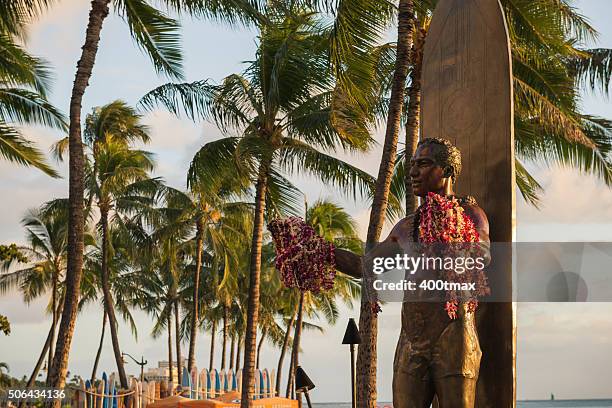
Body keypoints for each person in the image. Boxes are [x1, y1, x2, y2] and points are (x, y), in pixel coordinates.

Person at [334, 137, 490, 408]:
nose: (414, 173)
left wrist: (448, 229)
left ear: (448, 171)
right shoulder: (405, 228)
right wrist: (318, 251)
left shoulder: (469, 214)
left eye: (424, 164)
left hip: (454, 336)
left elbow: (482, 255)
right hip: (412, 339)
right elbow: (364, 266)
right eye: (413, 165)